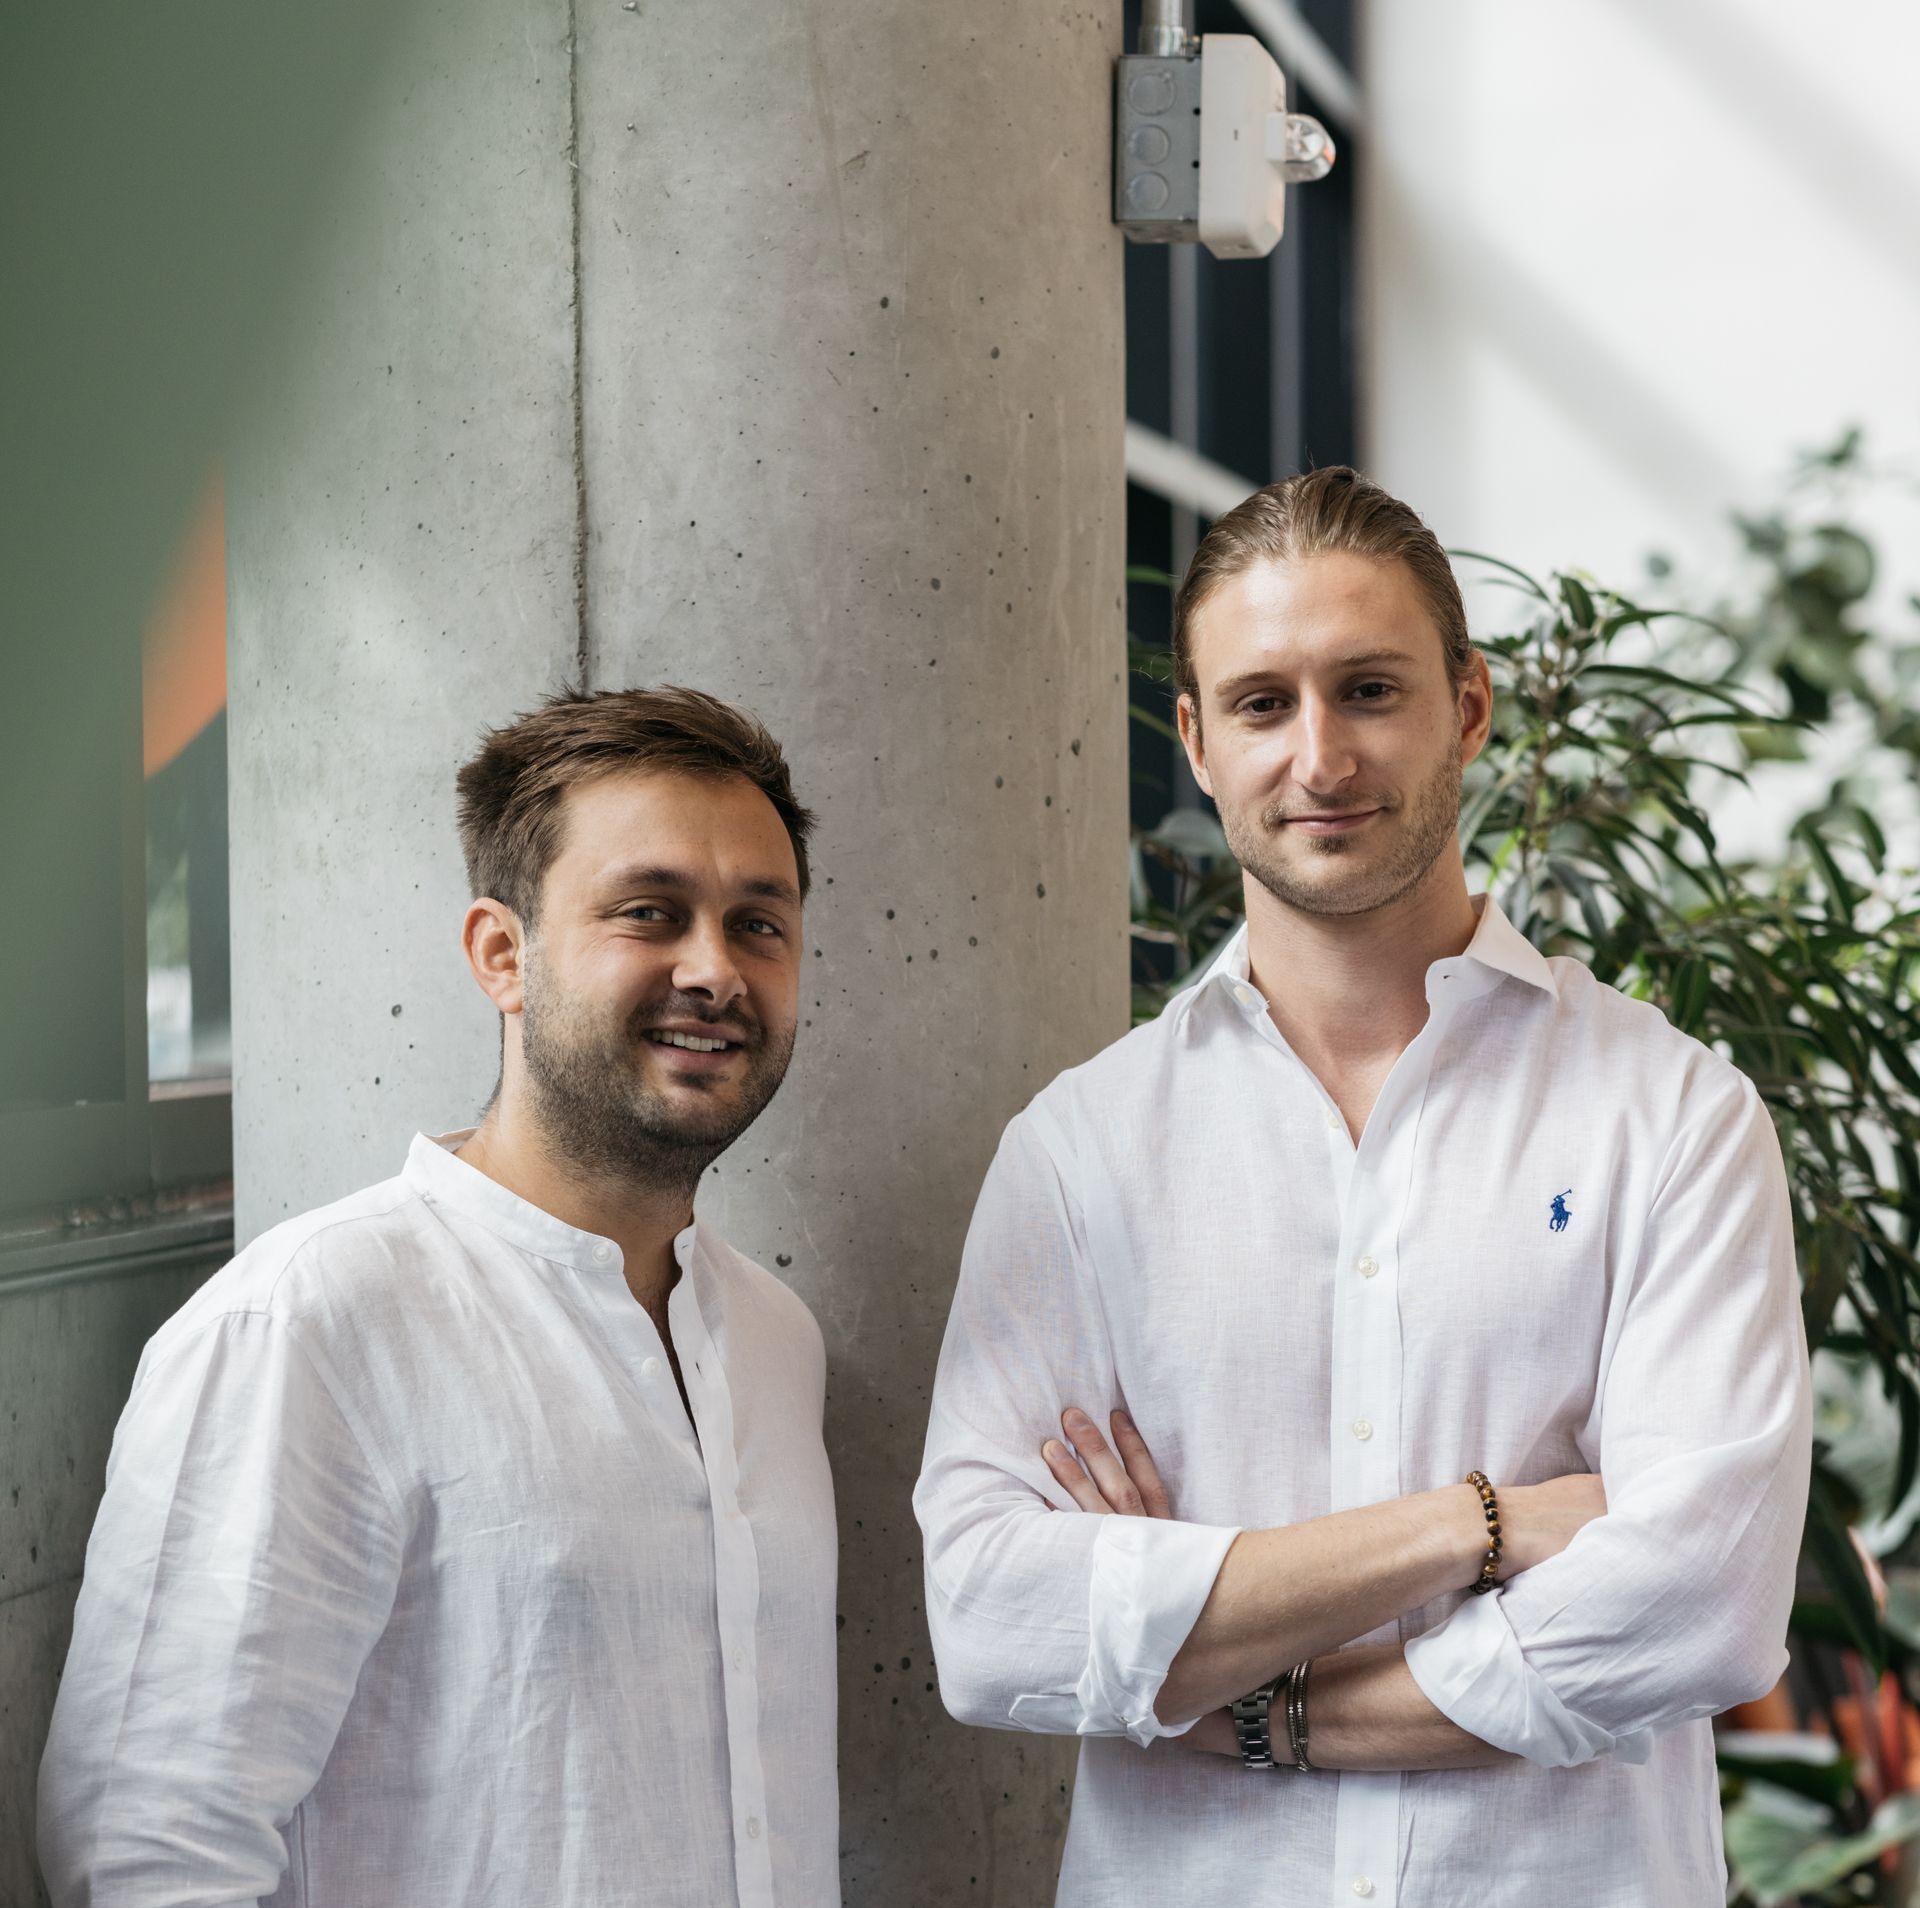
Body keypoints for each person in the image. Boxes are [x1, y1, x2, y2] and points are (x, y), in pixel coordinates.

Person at [915, 468, 1811, 1906]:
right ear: (1199, 744)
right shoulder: (1082, 1154)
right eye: (1264, 704)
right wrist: (1482, 1526)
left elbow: (1697, 1605)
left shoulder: (1674, 1117)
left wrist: (1242, 1698)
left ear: (1469, 707)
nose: (1319, 757)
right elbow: (989, 1621)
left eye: (1370, 690)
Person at [40, 687, 838, 1908]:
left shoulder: (776, 1343)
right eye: (650, 913)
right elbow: (147, 1854)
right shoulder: (308, 1323)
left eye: (758, 924)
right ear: (501, 955)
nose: (714, 971)